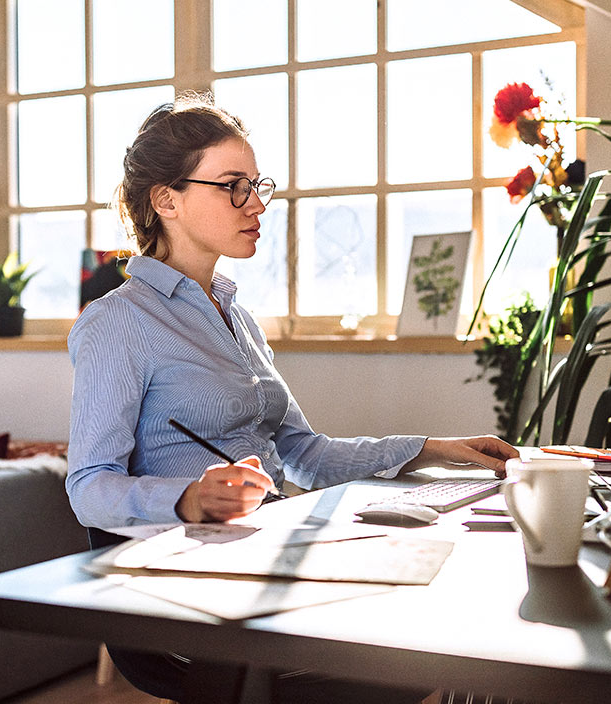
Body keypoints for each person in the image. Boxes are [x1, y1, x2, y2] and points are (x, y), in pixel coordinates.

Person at [66, 93, 518, 703]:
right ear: (165, 199)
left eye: (257, 186)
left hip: (270, 557)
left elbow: (306, 453)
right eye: (233, 186)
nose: (255, 205)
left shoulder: (237, 317)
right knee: (440, 650)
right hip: (190, 598)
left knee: (474, 610)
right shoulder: (115, 322)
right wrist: (189, 498)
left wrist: (435, 448)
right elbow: (88, 486)